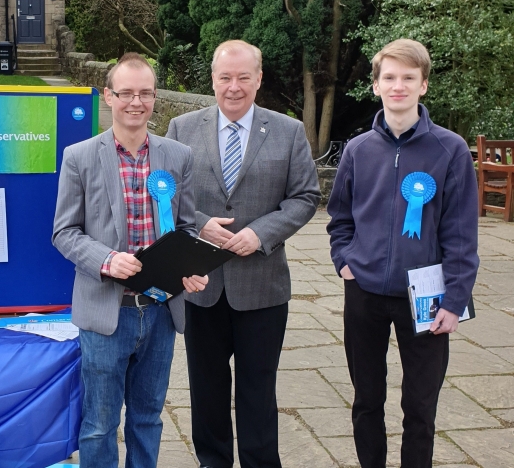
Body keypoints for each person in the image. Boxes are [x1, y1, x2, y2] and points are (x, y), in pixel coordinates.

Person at [166, 40, 320, 468]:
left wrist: (260, 232)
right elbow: (166, 193)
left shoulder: (288, 131)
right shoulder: (182, 128)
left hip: (262, 286)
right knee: (206, 388)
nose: (234, 87)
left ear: (259, 79)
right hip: (201, 284)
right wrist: (199, 224)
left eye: (243, 77)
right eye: (225, 77)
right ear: (212, 79)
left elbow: (305, 197)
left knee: (258, 388)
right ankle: (212, 461)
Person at [326, 38, 479, 468]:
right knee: (366, 401)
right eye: (389, 77)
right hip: (365, 295)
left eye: (408, 78)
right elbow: (340, 218)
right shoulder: (357, 150)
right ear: (375, 85)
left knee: (420, 408)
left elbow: (462, 235)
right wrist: (344, 261)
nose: (398, 86)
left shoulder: (450, 150)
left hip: (426, 300)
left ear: (423, 85)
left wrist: (455, 300)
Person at [52, 52, 208, 468]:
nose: (136, 102)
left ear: (155, 97)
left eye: (145, 93)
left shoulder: (178, 157)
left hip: (160, 311)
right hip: (107, 313)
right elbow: (63, 232)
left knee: (147, 418)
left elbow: (187, 228)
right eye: (126, 93)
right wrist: (106, 260)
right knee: (100, 423)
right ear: (109, 96)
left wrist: (191, 268)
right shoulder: (79, 156)